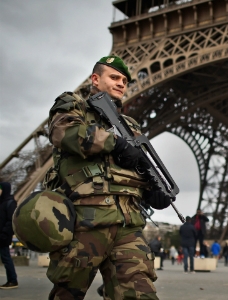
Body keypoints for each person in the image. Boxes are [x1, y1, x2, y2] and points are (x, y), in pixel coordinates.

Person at [44, 55, 173, 299]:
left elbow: (136, 167)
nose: (121, 83)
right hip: (84, 222)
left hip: (128, 224)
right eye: (114, 77)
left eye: (124, 79)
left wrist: (153, 189)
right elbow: (64, 132)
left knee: (140, 295)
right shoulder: (73, 105)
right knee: (67, 294)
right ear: (95, 79)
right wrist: (115, 143)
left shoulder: (130, 124)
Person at [0, 182, 18, 289]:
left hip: (3, 236)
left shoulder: (10, 203)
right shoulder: (2, 202)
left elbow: (11, 220)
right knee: (5, 257)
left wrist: (4, 234)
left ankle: (12, 280)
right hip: (2, 235)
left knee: (6, 258)